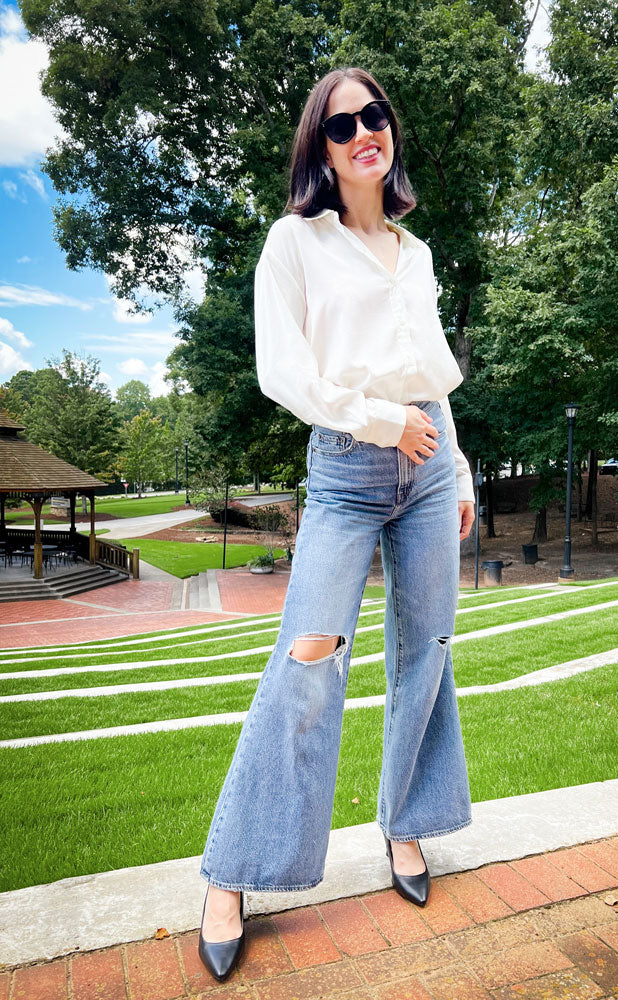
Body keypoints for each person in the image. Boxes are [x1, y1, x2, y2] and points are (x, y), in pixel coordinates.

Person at [196, 66, 476, 983]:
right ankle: (233, 873)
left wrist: (458, 464)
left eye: (377, 114)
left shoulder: (417, 252)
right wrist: (379, 422)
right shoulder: (295, 242)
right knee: (308, 660)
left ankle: (406, 828)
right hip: (350, 472)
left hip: (430, 470)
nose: (366, 130)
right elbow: (284, 370)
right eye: (343, 121)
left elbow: (426, 375)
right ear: (321, 144)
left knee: (426, 649)